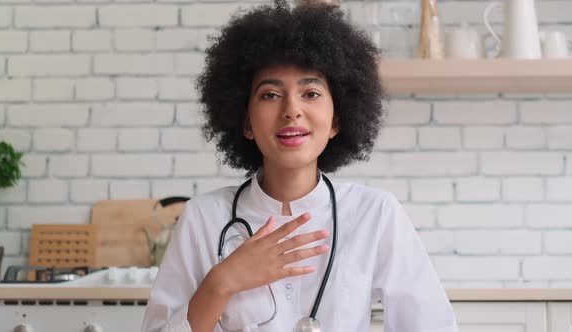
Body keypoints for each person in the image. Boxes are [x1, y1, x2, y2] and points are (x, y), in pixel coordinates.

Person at [141, 2, 458, 332]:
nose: (292, 109)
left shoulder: (375, 214)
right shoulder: (203, 218)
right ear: (246, 121)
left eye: (310, 92)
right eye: (270, 95)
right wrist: (222, 282)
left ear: (336, 120)